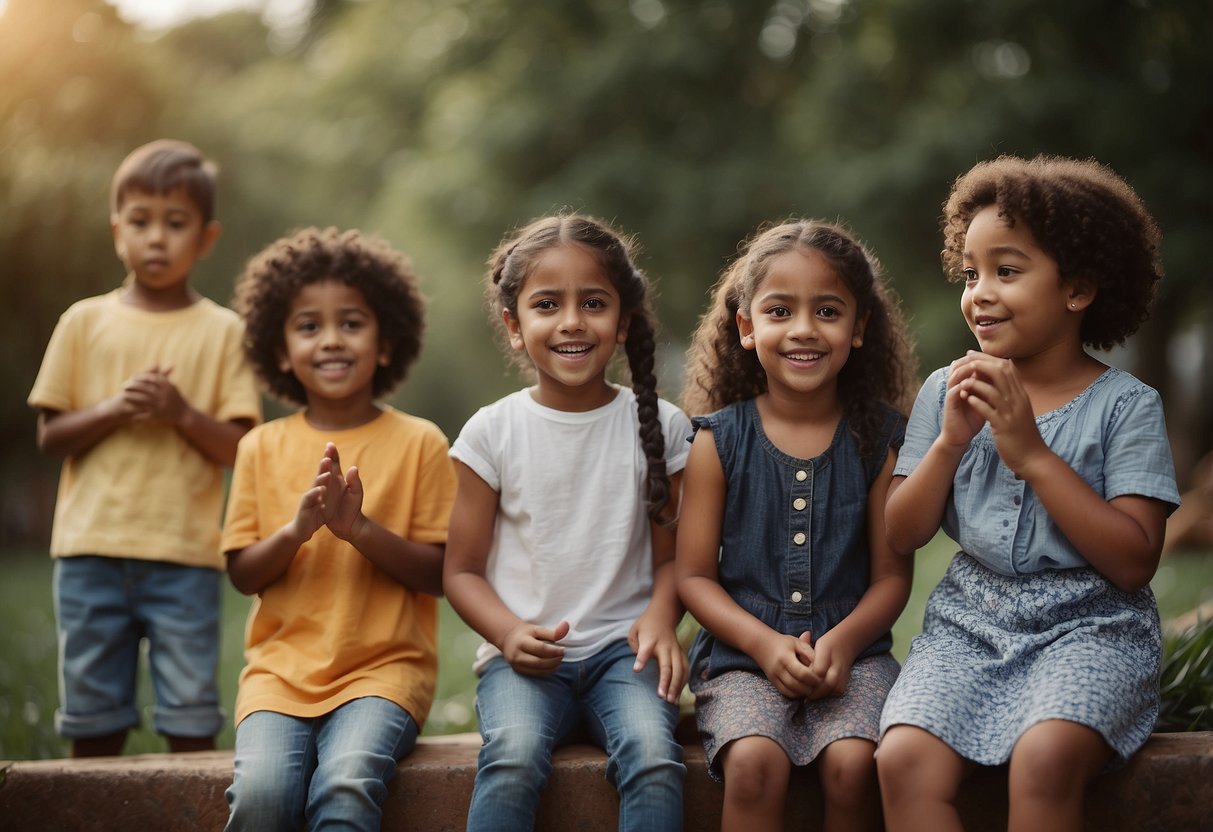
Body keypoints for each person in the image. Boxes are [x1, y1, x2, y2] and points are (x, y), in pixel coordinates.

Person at [877, 155, 1180, 832]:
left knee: (1042, 760)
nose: (978, 292)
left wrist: (1032, 455)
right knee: (900, 759)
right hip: (968, 627)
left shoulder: (1125, 407)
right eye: (970, 273)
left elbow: (1133, 561)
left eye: (1005, 272)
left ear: (1075, 290)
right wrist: (951, 443)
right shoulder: (944, 390)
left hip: (1090, 629)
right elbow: (900, 532)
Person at [443, 214, 689, 831]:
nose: (573, 321)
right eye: (547, 304)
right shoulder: (491, 432)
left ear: (623, 321)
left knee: (656, 758)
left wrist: (661, 618)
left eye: (595, 303)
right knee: (514, 755)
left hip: (624, 655)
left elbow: (673, 561)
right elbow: (463, 571)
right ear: (514, 325)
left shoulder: (662, 425)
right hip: (522, 658)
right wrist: (506, 634)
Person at [677, 220, 918, 832]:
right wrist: (762, 643)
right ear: (746, 326)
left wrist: (841, 644)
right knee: (754, 763)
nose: (804, 329)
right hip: (740, 659)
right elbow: (694, 577)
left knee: (854, 764)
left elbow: (892, 577)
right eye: (780, 310)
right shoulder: (717, 441)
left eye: (828, 310)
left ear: (859, 327)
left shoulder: (880, 441)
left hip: (855, 658)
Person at [27, 139, 260, 758]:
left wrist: (180, 414)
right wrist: (114, 409)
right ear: (116, 231)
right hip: (90, 552)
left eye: (175, 224)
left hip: (184, 554)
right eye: (140, 221)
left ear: (205, 239)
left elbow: (240, 447)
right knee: (92, 710)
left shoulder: (223, 331)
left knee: (189, 713)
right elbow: (51, 436)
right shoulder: (84, 321)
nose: (156, 238)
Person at [221, 227, 457, 831]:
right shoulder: (259, 447)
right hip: (278, 676)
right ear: (279, 349)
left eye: (351, 323)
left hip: (383, 672)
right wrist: (297, 530)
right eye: (308, 326)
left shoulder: (420, 442)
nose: (331, 340)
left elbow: (439, 575)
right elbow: (244, 574)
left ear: (385, 344)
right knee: (263, 797)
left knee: (347, 784)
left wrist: (358, 530)